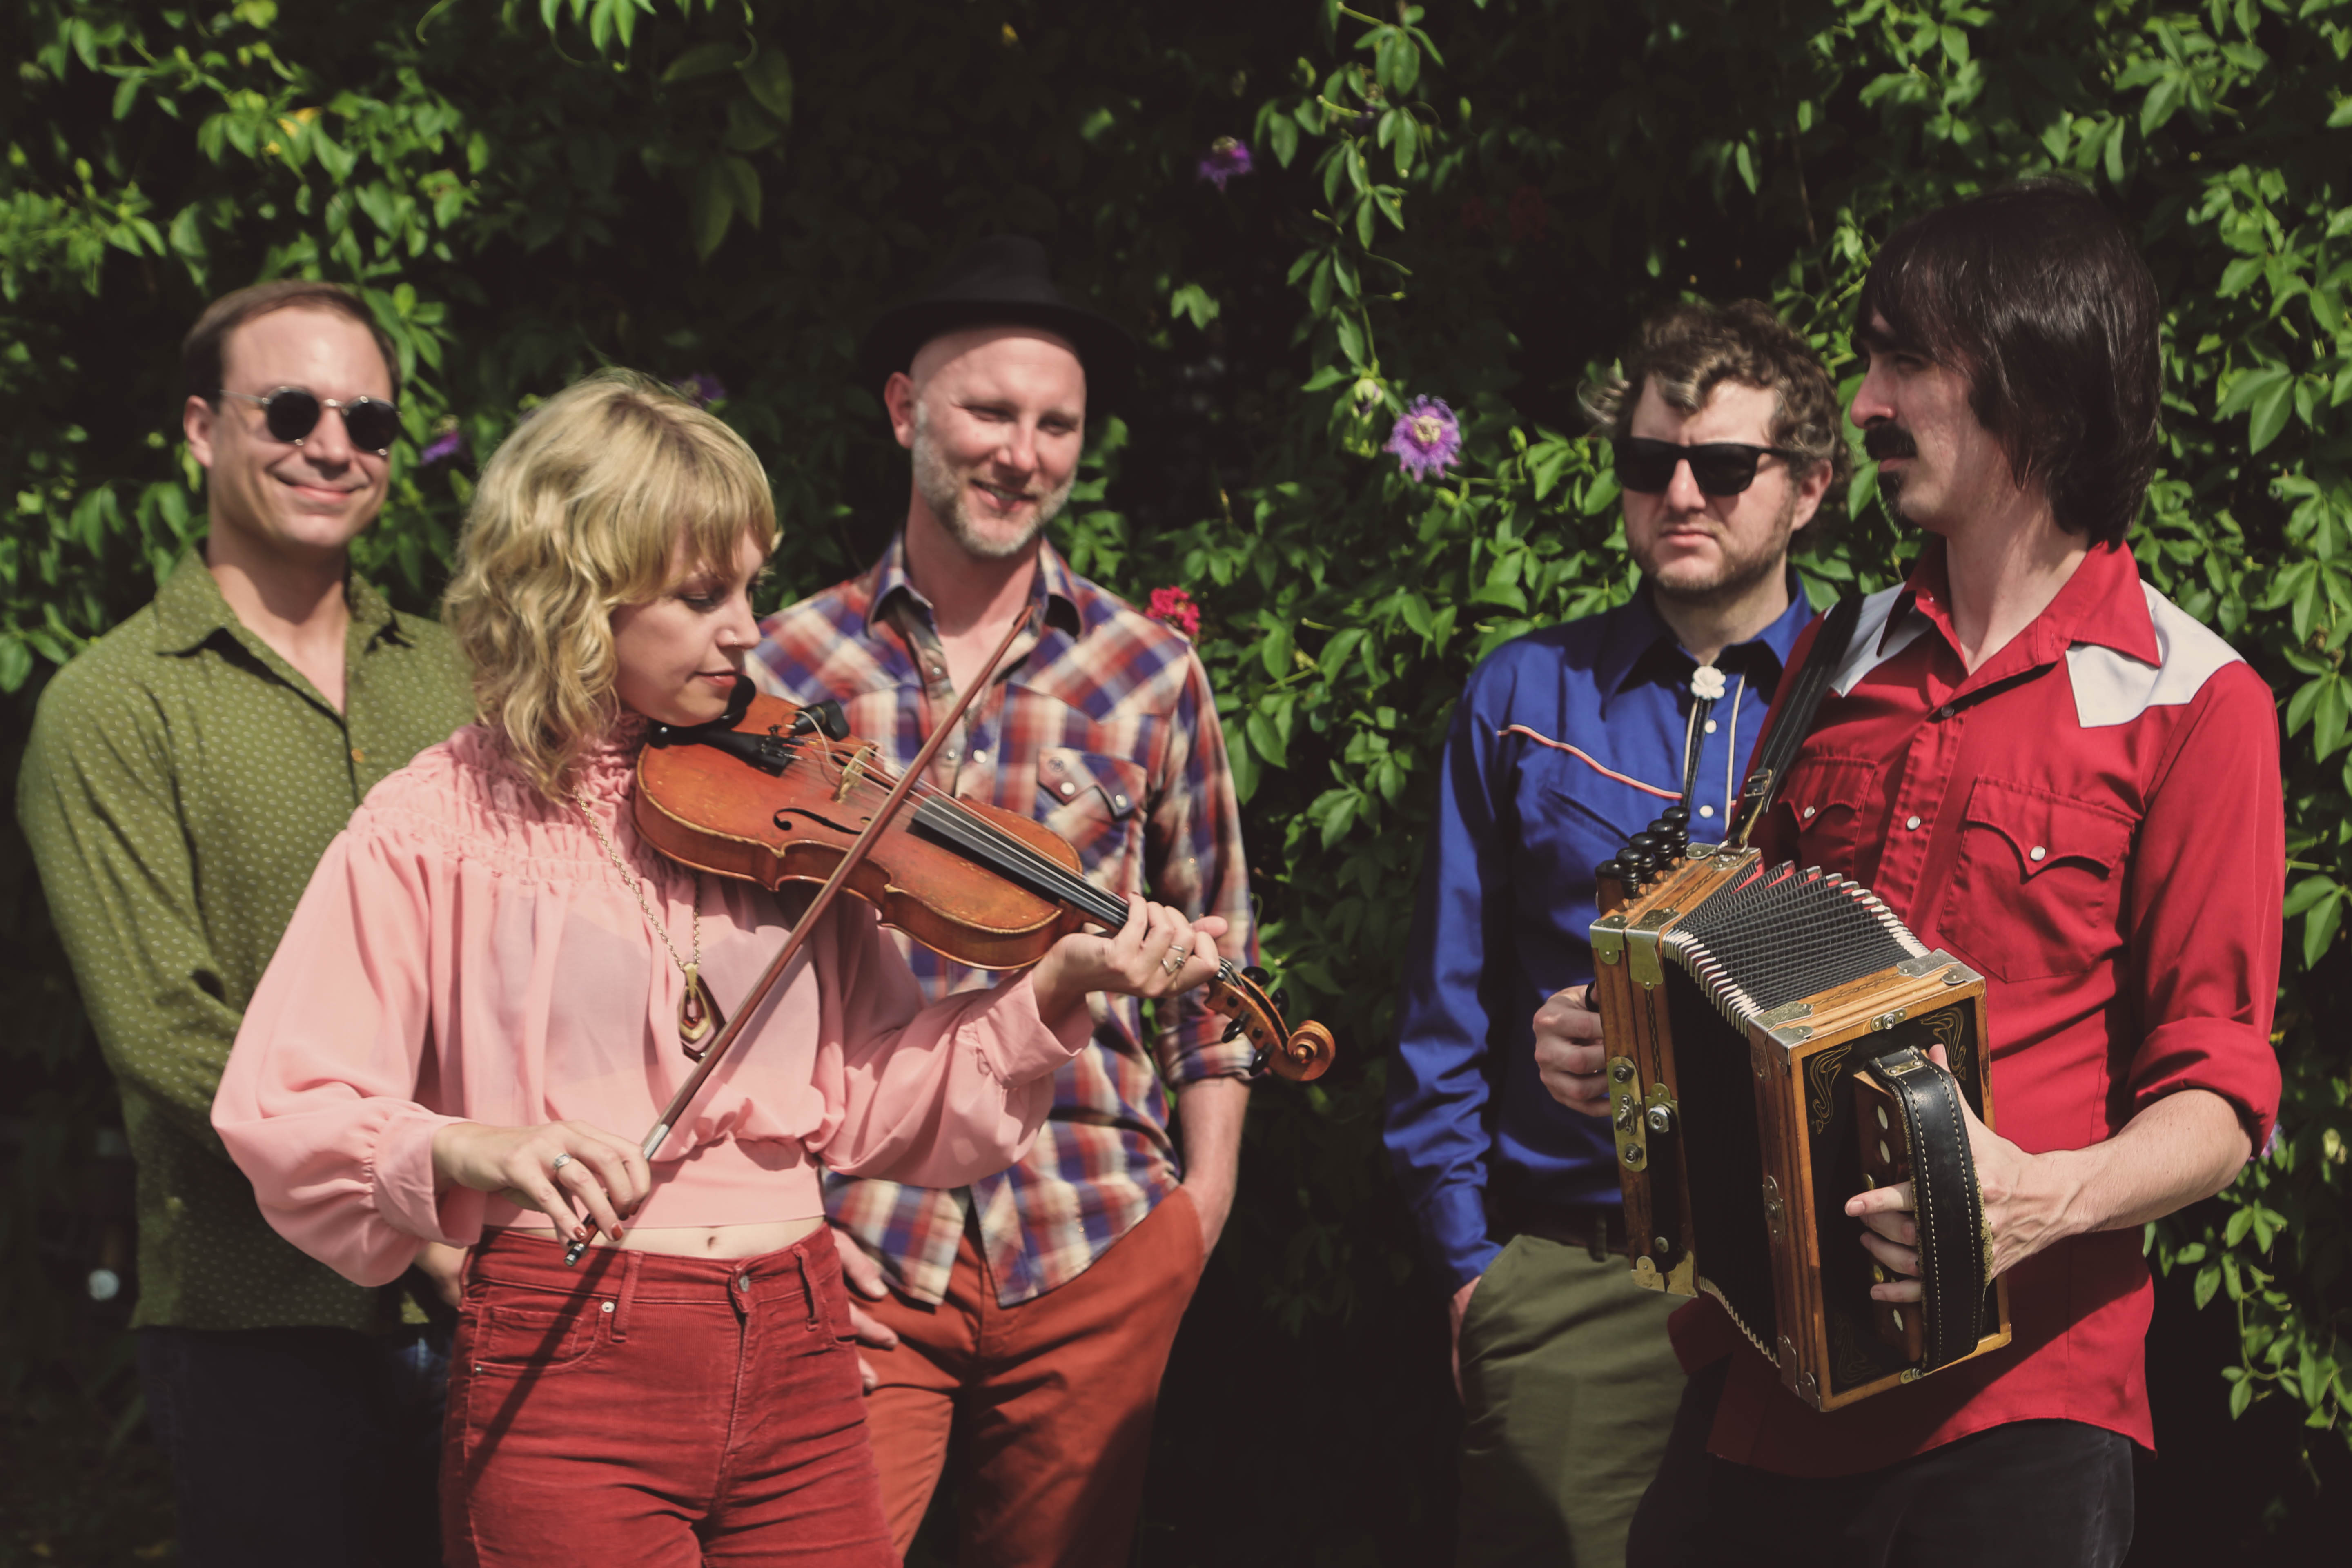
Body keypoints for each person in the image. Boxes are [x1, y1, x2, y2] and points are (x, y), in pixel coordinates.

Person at [207, 369, 1227, 1567]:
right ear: (576, 594)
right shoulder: (433, 822)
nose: (749, 629)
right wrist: (477, 1147)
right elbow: (285, 1103)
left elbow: (881, 1102)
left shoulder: (775, 797)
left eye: (750, 584)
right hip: (570, 1354)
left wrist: (1051, 992)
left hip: (800, 1339)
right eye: (701, 596)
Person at [1546, 181, 2282, 1567]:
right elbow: (1729, 959)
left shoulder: (2195, 701)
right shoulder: (1840, 655)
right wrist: (1620, 1043)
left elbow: (2223, 1100)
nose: (1867, 402)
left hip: (2018, 1411)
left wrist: (2041, 1200)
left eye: (1905, 361)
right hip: (1762, 1381)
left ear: (2036, 382)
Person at [748, 234, 1257, 1566]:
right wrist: (777, 1213)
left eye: (1056, 425)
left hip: (1094, 1225)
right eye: (988, 411)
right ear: (907, 409)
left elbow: (1222, 959)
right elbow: (720, 984)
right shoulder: (787, 662)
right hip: (857, 1237)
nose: (1021, 453)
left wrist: (1197, 1211)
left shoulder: (1149, 671)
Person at [18, 281, 476, 1567]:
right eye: (289, 408)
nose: (333, 445)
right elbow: (167, 1034)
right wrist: (415, 1203)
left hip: (507, 1294)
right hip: (259, 1322)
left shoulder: (463, 676)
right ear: (199, 430)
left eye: (369, 420)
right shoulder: (113, 705)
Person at [1387, 300, 1843, 1566]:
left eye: (1725, 467)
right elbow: (1445, 1005)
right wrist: (1475, 1271)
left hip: (1820, 1272)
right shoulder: (1524, 693)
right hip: (1578, 1274)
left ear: (1808, 488)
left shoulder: (1881, 697)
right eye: (1650, 464)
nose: (1681, 494)